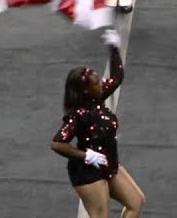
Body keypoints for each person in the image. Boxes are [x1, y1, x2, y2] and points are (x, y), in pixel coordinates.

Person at [50, 28, 145, 218]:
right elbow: (57, 143)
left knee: (136, 201)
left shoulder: (97, 98)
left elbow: (117, 78)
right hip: (87, 172)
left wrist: (114, 49)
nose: (101, 83)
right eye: (96, 83)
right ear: (86, 90)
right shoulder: (77, 115)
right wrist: (86, 155)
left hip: (109, 162)